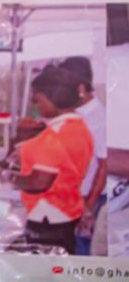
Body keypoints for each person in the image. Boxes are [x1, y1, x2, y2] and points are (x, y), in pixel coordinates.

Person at [12, 66, 93, 254]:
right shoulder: (80, 127)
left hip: (47, 216)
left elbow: (39, 182)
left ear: (53, 98)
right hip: (68, 209)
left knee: (44, 266)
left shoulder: (53, 136)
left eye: (38, 99)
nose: (36, 104)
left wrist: (11, 178)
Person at [57, 56, 107, 254]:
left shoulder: (98, 118)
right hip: (73, 195)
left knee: (82, 250)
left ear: (80, 88)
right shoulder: (77, 113)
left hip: (89, 197)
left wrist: (89, 205)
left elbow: (105, 164)